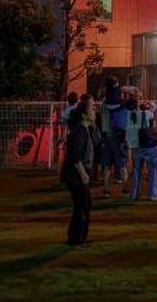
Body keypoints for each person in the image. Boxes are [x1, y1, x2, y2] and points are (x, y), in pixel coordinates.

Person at [61, 97, 95, 247]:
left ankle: (77, 236)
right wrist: (83, 173)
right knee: (82, 205)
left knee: (84, 205)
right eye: (92, 108)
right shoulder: (81, 130)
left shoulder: (85, 129)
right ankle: (76, 238)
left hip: (77, 173)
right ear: (84, 114)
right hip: (76, 174)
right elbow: (74, 155)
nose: (94, 110)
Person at [131, 101, 157, 201]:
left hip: (137, 146)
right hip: (150, 146)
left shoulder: (134, 115)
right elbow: (154, 106)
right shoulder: (150, 114)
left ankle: (134, 194)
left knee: (136, 170)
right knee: (152, 170)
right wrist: (149, 103)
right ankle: (153, 194)